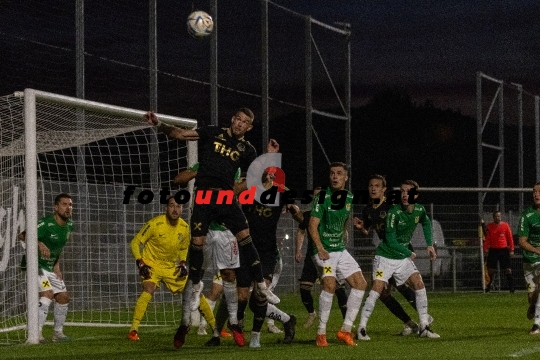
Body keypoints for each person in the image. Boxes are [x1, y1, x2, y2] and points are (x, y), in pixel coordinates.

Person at [145, 109, 279, 317]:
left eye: (245, 122)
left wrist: (269, 159)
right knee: (197, 244)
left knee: (246, 237)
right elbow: (180, 134)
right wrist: (158, 123)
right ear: (232, 119)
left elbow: (256, 178)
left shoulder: (247, 149)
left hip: (226, 197)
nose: (240, 124)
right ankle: (197, 288)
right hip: (205, 196)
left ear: (249, 127)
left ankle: (261, 285)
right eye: (238, 119)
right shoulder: (212, 132)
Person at [127, 196, 215, 348]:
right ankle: (133, 329)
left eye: (179, 206)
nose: (175, 209)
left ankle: (216, 328)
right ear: (165, 208)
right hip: (151, 266)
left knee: (194, 293)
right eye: (172, 206)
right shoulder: (155, 223)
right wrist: (140, 263)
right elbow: (135, 242)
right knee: (149, 288)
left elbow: (183, 248)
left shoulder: (185, 227)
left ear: (182, 209)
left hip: (170, 268)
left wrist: (182, 263)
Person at [358, 180, 440, 340]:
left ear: (415, 195)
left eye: (408, 192)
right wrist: (408, 252)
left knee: (418, 283)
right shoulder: (393, 212)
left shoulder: (419, 210)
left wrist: (429, 244)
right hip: (385, 257)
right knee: (377, 290)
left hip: (402, 257)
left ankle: (424, 326)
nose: (404, 194)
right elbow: (390, 239)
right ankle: (361, 329)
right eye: (402, 191)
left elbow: (426, 222)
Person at [233, 170, 298, 348]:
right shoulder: (248, 190)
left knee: (260, 297)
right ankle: (287, 319)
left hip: (268, 253)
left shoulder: (280, 193)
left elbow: (297, 212)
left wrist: (297, 212)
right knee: (243, 297)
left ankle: (255, 337)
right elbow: (232, 191)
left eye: (268, 173)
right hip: (246, 248)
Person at [308, 162, 367, 347]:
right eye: (332, 173)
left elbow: (345, 217)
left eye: (339, 173)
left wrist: (345, 231)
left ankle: (345, 330)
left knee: (361, 283)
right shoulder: (322, 197)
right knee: (330, 284)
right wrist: (320, 248)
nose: (335, 176)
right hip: (323, 250)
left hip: (339, 250)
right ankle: (321, 333)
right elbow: (312, 225)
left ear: (346, 177)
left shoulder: (349, 197)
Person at [18, 193, 74, 343]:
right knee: (47, 293)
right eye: (64, 204)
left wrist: (57, 266)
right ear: (56, 207)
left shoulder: (69, 225)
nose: (68, 208)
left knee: (63, 297)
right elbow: (22, 235)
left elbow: (58, 247)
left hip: (50, 267)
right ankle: (36, 333)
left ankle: (57, 333)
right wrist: (39, 243)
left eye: (70, 205)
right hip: (36, 267)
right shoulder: (45, 224)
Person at [295, 187, 349, 328]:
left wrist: (342, 242)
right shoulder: (308, 215)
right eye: (315, 197)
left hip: (331, 254)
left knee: (338, 288)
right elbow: (301, 231)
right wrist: (298, 250)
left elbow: (343, 226)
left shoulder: (331, 213)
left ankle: (347, 321)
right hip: (312, 255)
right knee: (304, 288)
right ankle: (312, 313)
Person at [517, 182, 540, 334]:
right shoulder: (527, 215)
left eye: (539, 191)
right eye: (534, 191)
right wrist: (537, 251)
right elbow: (522, 242)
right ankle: (533, 305)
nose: (536, 194)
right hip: (529, 261)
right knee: (532, 297)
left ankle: (537, 324)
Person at [482, 210, 515, 293]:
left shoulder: (505, 226)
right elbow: (487, 239)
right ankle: (488, 287)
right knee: (490, 270)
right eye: (496, 216)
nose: (498, 218)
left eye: (499, 216)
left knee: (508, 269)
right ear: (493, 217)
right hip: (493, 250)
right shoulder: (490, 226)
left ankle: (511, 288)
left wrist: (511, 249)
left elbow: (510, 238)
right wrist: (485, 249)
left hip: (503, 250)